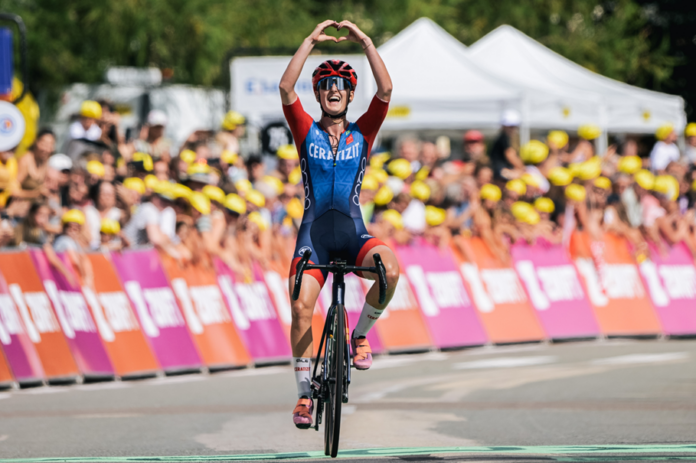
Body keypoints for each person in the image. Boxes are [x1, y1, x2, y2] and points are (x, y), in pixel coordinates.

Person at [279, 19, 399, 429]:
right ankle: (302, 397)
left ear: (349, 94)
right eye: (327, 85)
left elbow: (385, 91)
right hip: (314, 236)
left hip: (352, 232)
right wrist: (310, 39)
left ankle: (360, 334)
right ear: (319, 94)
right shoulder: (304, 129)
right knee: (300, 307)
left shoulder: (362, 132)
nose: (334, 90)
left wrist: (366, 40)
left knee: (390, 269)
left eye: (341, 86)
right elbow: (284, 89)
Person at [489, 109, 524, 180]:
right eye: (511, 127)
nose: (513, 129)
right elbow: (510, 154)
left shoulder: (502, 138)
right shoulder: (504, 138)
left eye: (514, 127)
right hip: (500, 172)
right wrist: (522, 168)